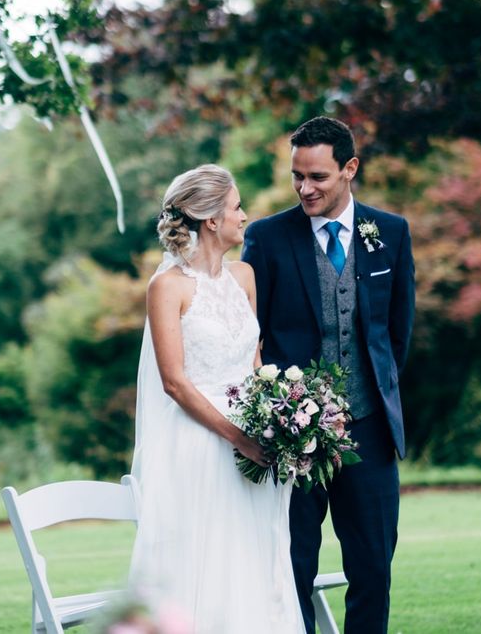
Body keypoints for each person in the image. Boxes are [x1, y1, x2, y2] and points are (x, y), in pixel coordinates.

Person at [242, 117, 415, 634]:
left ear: (349, 169)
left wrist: (369, 396)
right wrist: (283, 414)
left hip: (369, 431)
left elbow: (397, 335)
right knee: (292, 567)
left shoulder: (390, 233)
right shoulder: (267, 238)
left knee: (373, 570)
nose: (304, 188)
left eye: (317, 176)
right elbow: (250, 336)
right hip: (294, 437)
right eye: (297, 175)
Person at [129, 164, 304, 633]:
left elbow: (254, 362)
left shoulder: (243, 276)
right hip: (201, 446)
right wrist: (239, 438)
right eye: (236, 206)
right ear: (210, 220)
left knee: (253, 556)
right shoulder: (168, 286)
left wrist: (285, 420)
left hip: (255, 441)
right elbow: (175, 383)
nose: (244, 215)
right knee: (204, 564)